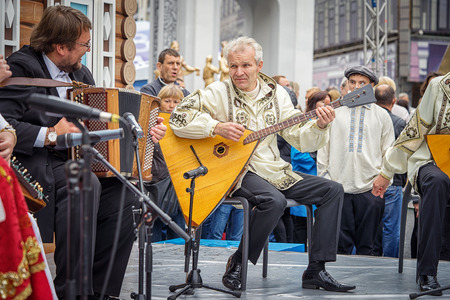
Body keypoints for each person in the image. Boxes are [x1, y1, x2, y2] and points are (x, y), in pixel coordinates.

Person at [0, 6, 167, 299]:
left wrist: (145, 132)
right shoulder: (21, 67)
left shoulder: (80, 72)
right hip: (37, 161)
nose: (87, 51)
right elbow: (6, 124)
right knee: (83, 183)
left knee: (127, 192)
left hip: (80, 159)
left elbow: (96, 122)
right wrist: (50, 135)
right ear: (60, 46)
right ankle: (72, 291)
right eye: (84, 45)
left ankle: (102, 292)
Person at [169, 36, 355, 292]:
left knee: (332, 190)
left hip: (274, 170)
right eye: (233, 66)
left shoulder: (277, 94)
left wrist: (320, 124)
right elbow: (178, 117)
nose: (239, 72)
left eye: (245, 65)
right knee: (274, 201)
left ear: (259, 65)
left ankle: (316, 270)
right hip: (238, 171)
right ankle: (238, 262)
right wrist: (216, 127)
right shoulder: (218, 92)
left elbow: (299, 137)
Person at [372, 72, 450, 296]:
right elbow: (414, 131)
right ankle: (427, 273)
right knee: (437, 182)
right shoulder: (439, 86)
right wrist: (386, 172)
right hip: (431, 161)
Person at [317, 65, 395, 256]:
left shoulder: (381, 115)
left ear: (372, 86)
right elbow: (323, 148)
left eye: (362, 83)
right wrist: (326, 180)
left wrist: (384, 180)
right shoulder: (334, 112)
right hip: (338, 188)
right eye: (352, 82)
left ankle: (367, 286)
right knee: (339, 247)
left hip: (371, 189)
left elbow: (389, 151)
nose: (356, 87)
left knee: (368, 248)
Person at [144, 84, 186, 242]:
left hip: (178, 185)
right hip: (156, 183)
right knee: (152, 233)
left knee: (178, 232)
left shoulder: (185, 125)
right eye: (167, 100)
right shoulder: (153, 123)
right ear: (159, 102)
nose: (171, 105)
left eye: (176, 101)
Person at [290, 90, 331, 244]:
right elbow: (298, 154)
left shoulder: (331, 124)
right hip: (306, 178)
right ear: (314, 104)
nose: (329, 106)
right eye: (324, 103)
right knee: (301, 228)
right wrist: (320, 162)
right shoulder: (304, 122)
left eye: (330, 103)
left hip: (323, 180)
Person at [373, 84, 407, 258]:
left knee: (371, 226)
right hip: (393, 181)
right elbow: (403, 154)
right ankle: (391, 262)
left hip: (371, 179)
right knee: (391, 228)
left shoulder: (370, 120)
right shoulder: (400, 123)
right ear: (393, 101)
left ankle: (368, 259)